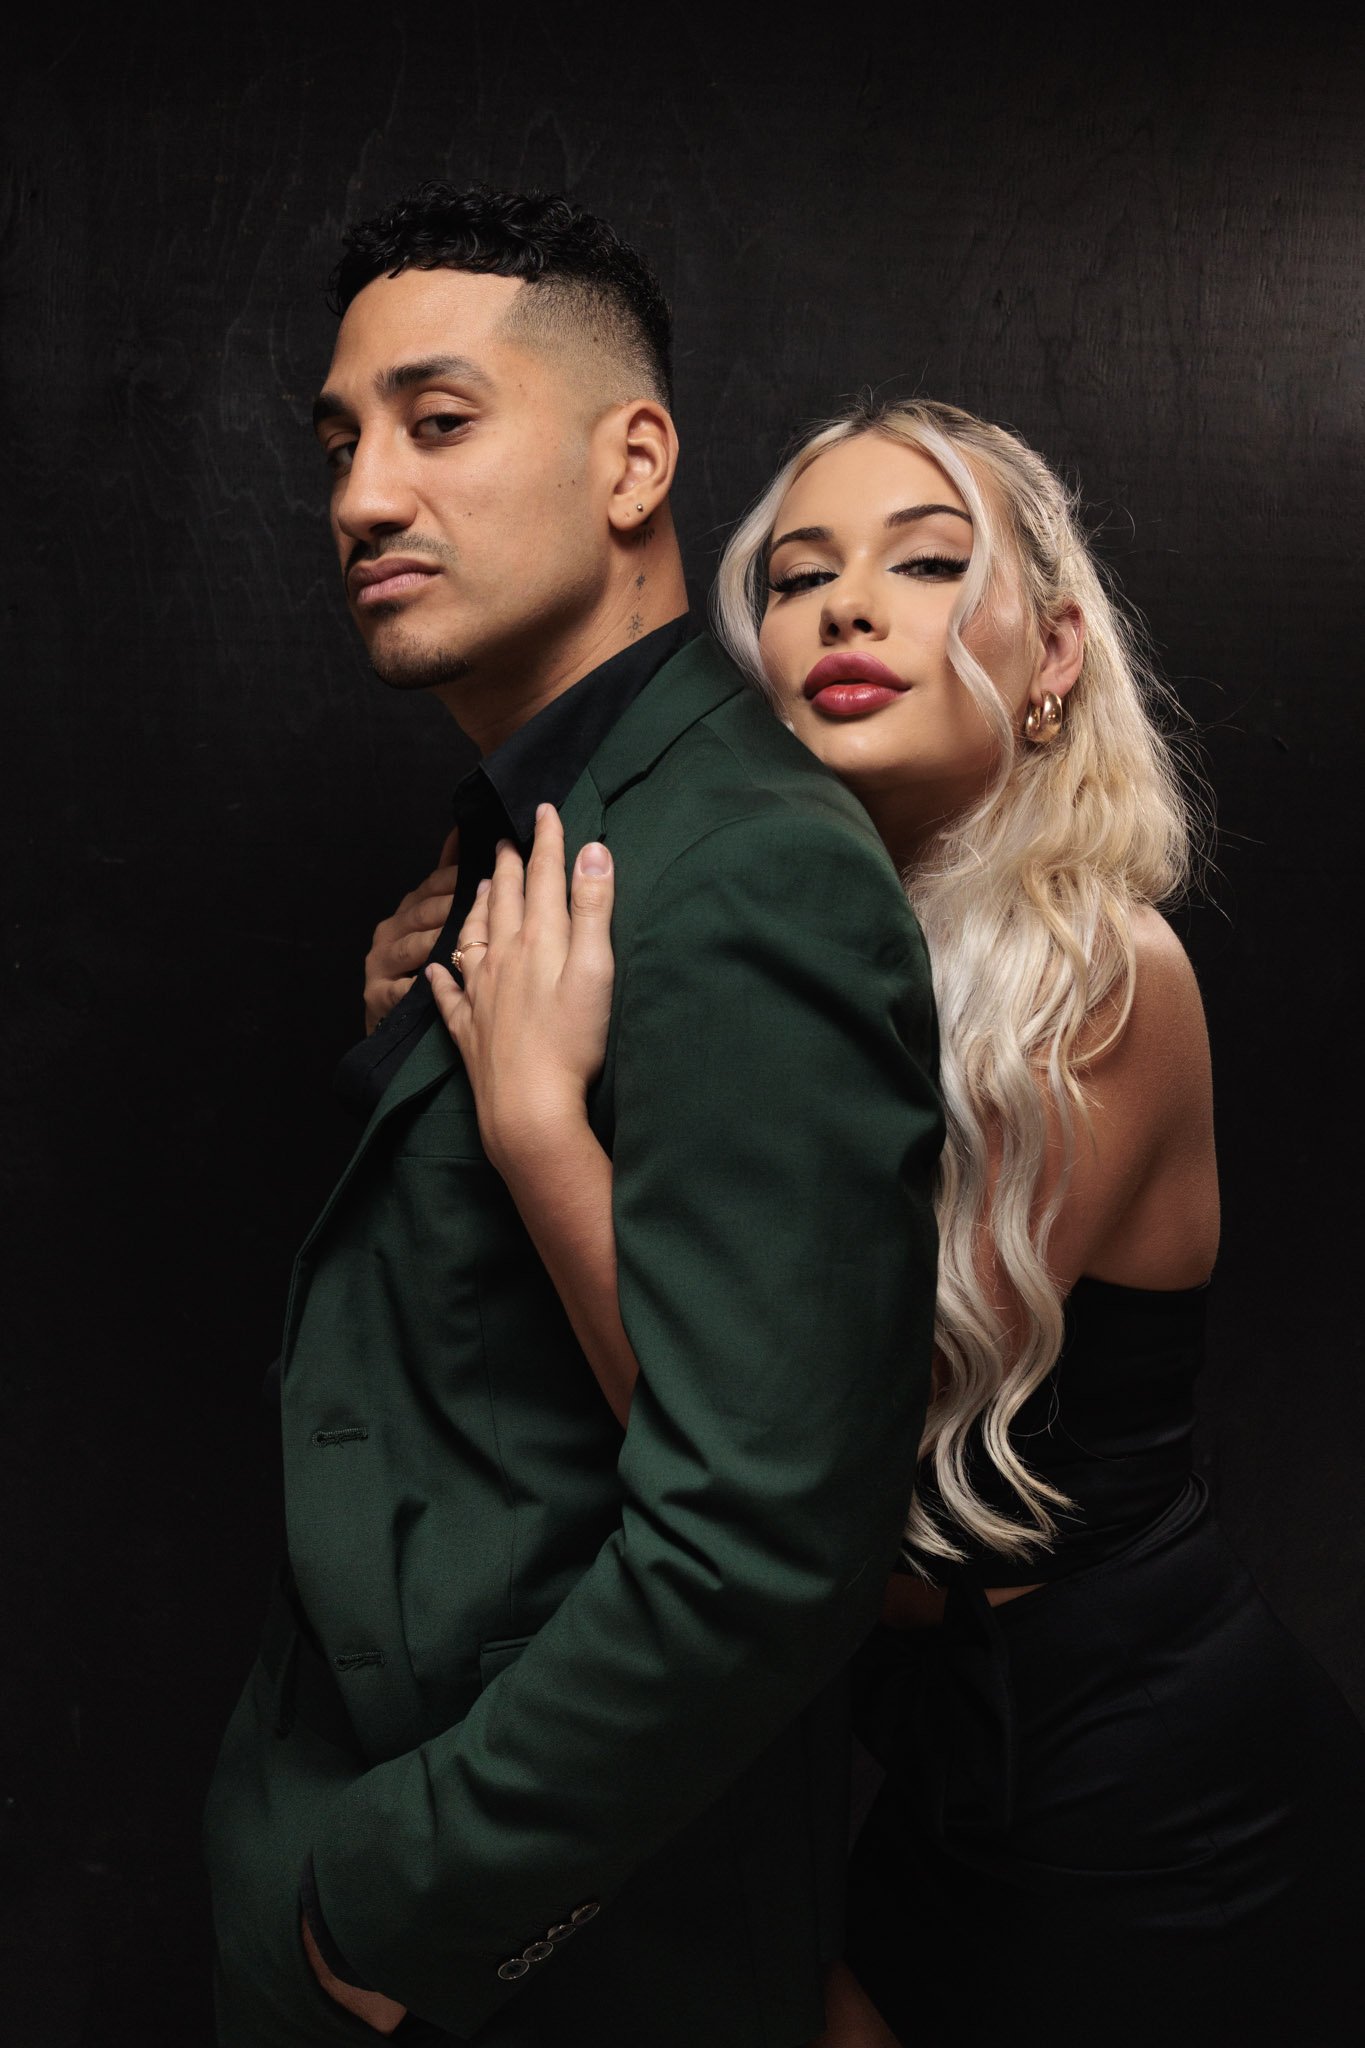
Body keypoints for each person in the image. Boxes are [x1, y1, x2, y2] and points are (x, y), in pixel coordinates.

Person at [376, 397, 1365, 2045]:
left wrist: (540, 1124)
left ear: (1052, 653)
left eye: (923, 563)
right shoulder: (789, 965)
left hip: (1158, 1797)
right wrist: (440, 1032)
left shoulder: (1099, 974)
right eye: (794, 576)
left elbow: (800, 1487)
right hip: (926, 1775)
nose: (844, 607)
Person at [201, 187, 943, 2046]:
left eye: (439, 423)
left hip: (542, 1935)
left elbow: (766, 1538)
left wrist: (392, 1906)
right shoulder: (549, 823)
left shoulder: (751, 866)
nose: (363, 497)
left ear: (633, 464)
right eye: (341, 443)